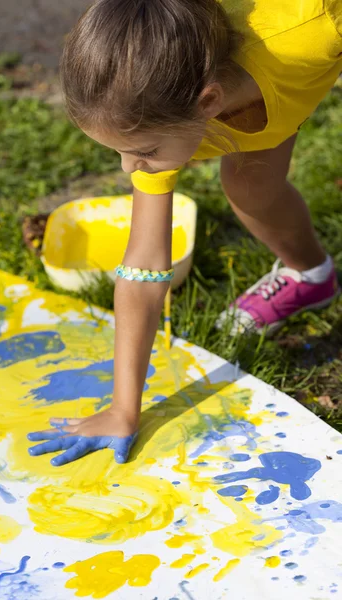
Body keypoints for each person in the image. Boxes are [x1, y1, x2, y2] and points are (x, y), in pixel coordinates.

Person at [27, 0, 342, 465]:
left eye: (143, 151)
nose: (130, 167)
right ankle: (310, 277)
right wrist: (123, 409)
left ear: (209, 101)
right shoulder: (161, 106)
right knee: (251, 186)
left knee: (249, 181)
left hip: (299, 58)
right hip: (264, 92)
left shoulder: (313, 29)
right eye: (119, 151)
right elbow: (145, 265)